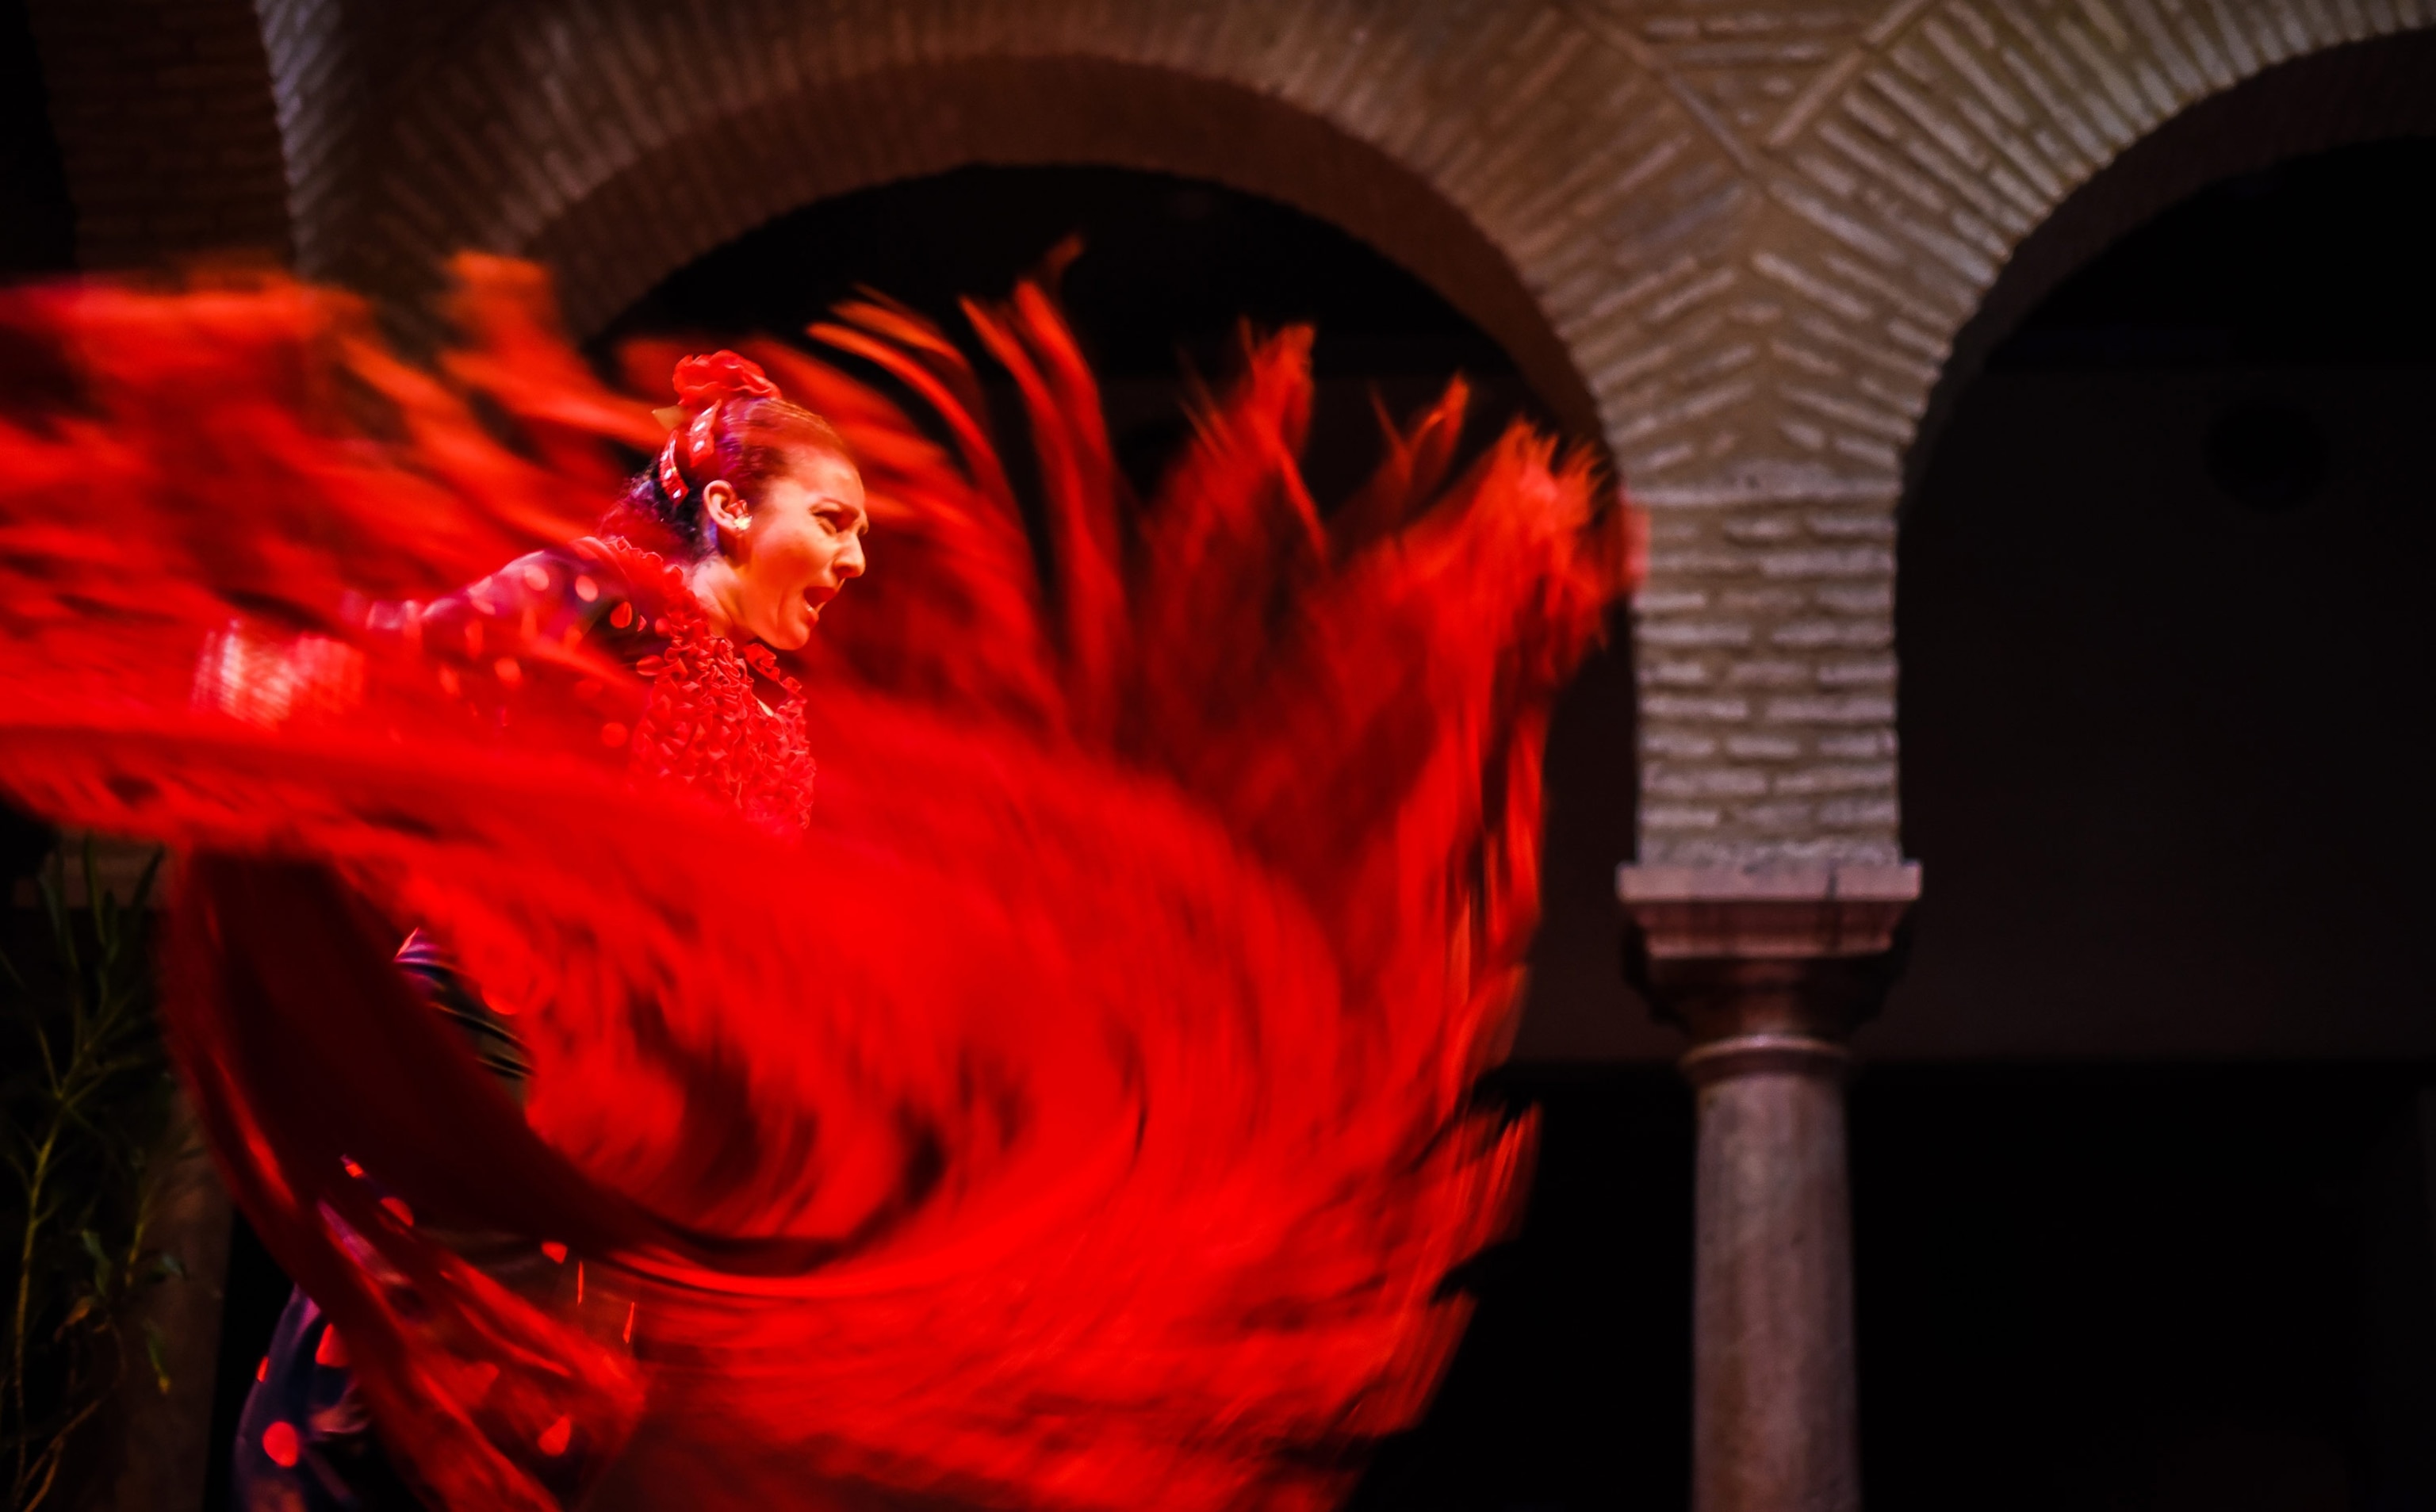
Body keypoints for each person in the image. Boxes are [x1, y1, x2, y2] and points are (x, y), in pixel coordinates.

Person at [223, 350, 866, 1511]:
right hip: (481, 1047)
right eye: (831, 519)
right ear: (727, 507)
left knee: (558, 1424)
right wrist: (307, 670)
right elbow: (445, 640)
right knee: (386, 1398)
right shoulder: (613, 598)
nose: (855, 557)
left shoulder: (780, 717)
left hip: (613, 1122)